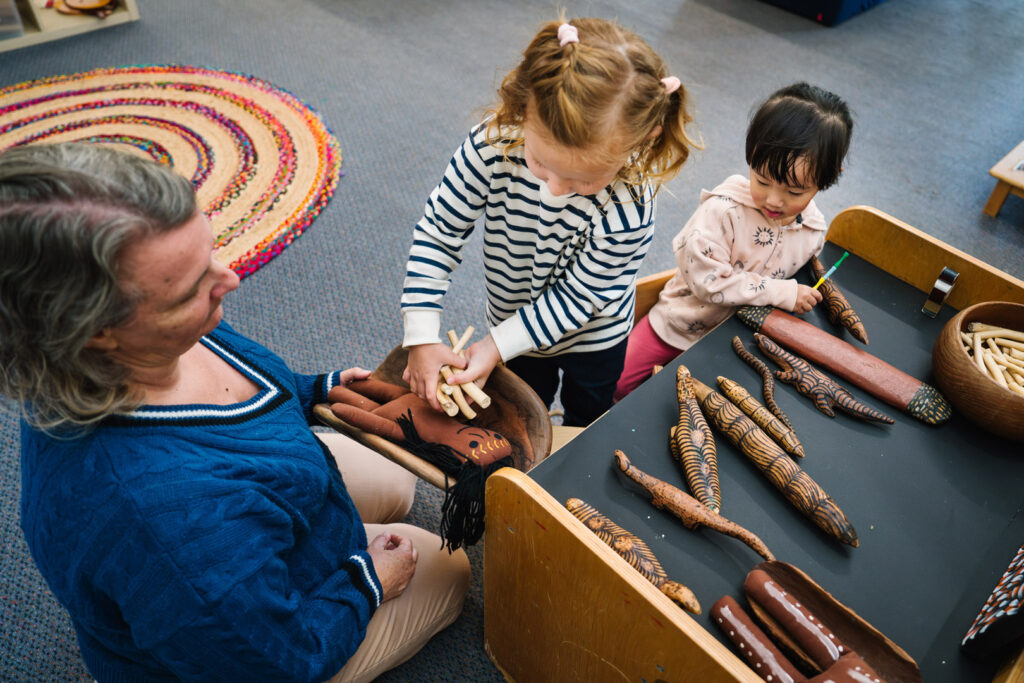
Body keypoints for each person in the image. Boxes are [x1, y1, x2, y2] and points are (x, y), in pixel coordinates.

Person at [0, 143, 470, 683]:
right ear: (97, 335)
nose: (230, 280)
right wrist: (366, 580)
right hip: (255, 643)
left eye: (210, 253)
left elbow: (253, 392)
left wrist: (319, 389)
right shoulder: (164, 523)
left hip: (240, 526)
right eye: (189, 289)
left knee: (394, 476)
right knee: (447, 564)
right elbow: (278, 662)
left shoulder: (140, 334)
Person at [399, 16, 700, 427]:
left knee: (588, 420)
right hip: (512, 327)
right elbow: (439, 232)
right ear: (523, 109)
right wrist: (421, 334)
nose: (555, 190)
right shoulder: (492, 146)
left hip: (596, 337)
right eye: (541, 163)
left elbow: (578, 298)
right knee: (520, 419)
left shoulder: (631, 202)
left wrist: (495, 346)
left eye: (584, 179)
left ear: (644, 138)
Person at [614, 82, 854, 400]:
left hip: (736, 344)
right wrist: (781, 293)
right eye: (762, 179)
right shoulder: (722, 212)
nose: (774, 199)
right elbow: (708, 283)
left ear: (827, 178)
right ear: (751, 155)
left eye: (794, 192)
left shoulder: (812, 228)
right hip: (677, 325)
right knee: (618, 385)